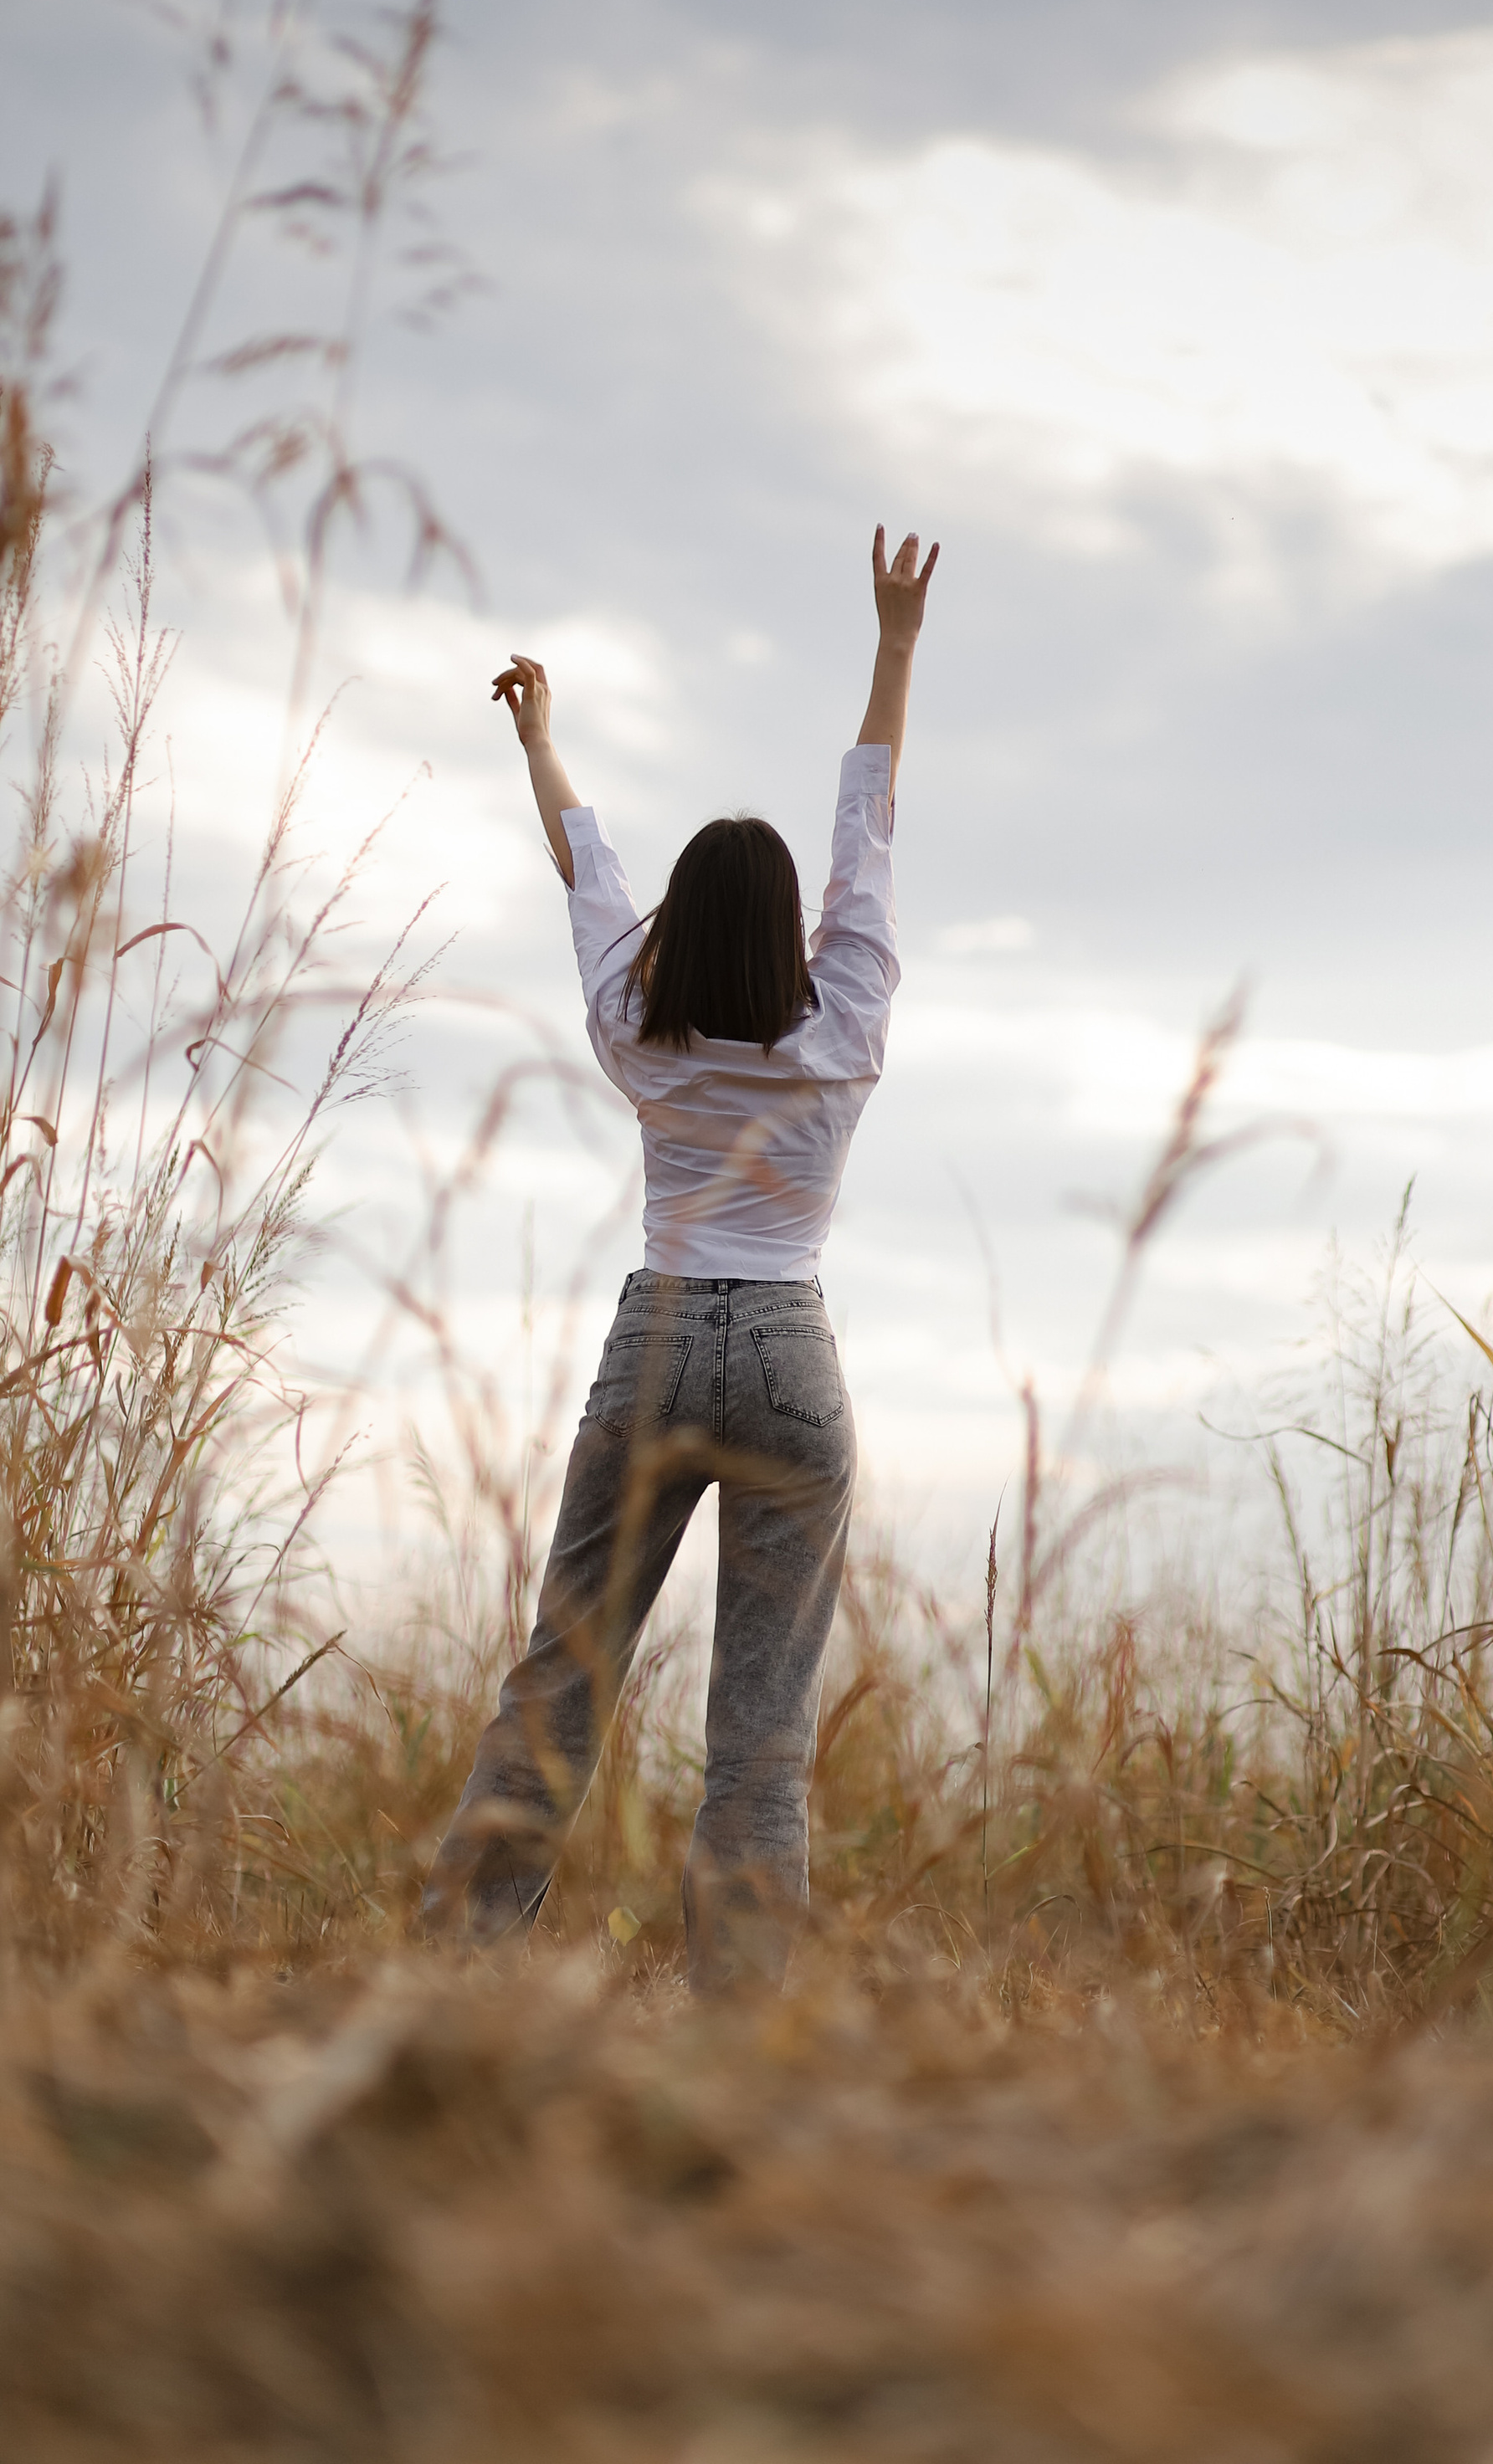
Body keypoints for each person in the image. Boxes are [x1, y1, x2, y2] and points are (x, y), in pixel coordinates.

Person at [420, 525, 939, 1988]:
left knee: (562, 1677)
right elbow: (868, 838)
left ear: (677, 939)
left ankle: (452, 1978)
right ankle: (742, 2024)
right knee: (761, 1729)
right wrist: (895, 645)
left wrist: (542, 740)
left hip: (654, 1345)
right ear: (798, 935)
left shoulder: (634, 1036)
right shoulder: (846, 1034)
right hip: (791, 1352)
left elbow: (584, 876)